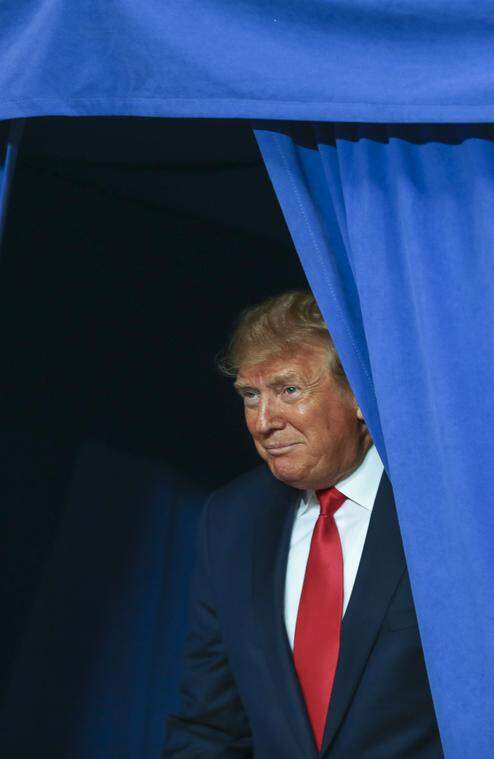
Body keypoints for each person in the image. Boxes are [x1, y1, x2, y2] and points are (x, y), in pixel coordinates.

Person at [164, 292, 443, 758]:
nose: (264, 421)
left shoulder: (436, 508)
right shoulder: (232, 519)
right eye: (251, 396)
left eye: (288, 390)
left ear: (359, 394)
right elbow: (210, 724)